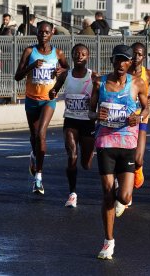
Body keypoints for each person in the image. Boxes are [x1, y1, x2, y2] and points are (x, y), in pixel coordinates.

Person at [90, 44, 150, 261]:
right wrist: (97, 115)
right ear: (112, 61)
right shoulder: (100, 83)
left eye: (126, 60)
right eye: (118, 60)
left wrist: (139, 116)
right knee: (107, 194)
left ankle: (119, 195)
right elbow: (89, 111)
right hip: (105, 142)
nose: (122, 64)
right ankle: (108, 240)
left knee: (123, 196)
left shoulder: (138, 84)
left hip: (128, 143)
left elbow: (146, 108)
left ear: (130, 63)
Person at [14, 21, 68, 195]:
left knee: (41, 134)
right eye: (40, 32)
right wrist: (31, 66)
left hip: (48, 100)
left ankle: (38, 177)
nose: (43, 35)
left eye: (46, 32)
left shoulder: (58, 53)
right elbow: (17, 76)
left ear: (52, 33)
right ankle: (34, 156)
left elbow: (67, 70)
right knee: (33, 136)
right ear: (36, 34)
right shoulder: (30, 52)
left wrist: (60, 75)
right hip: (31, 100)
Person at [50, 43, 98, 209]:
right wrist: (53, 92)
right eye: (76, 54)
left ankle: (91, 152)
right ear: (71, 56)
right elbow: (54, 90)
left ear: (88, 57)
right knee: (72, 156)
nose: (79, 56)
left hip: (87, 122)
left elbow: (102, 95)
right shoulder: (65, 75)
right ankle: (72, 194)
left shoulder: (94, 77)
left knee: (86, 164)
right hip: (70, 121)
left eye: (83, 54)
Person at [128, 42, 150, 191]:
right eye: (133, 53)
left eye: (139, 54)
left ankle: (138, 168)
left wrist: (149, 100)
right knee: (126, 157)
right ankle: (124, 190)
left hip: (142, 117)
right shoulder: (124, 72)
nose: (136, 57)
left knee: (138, 159)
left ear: (144, 57)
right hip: (125, 118)